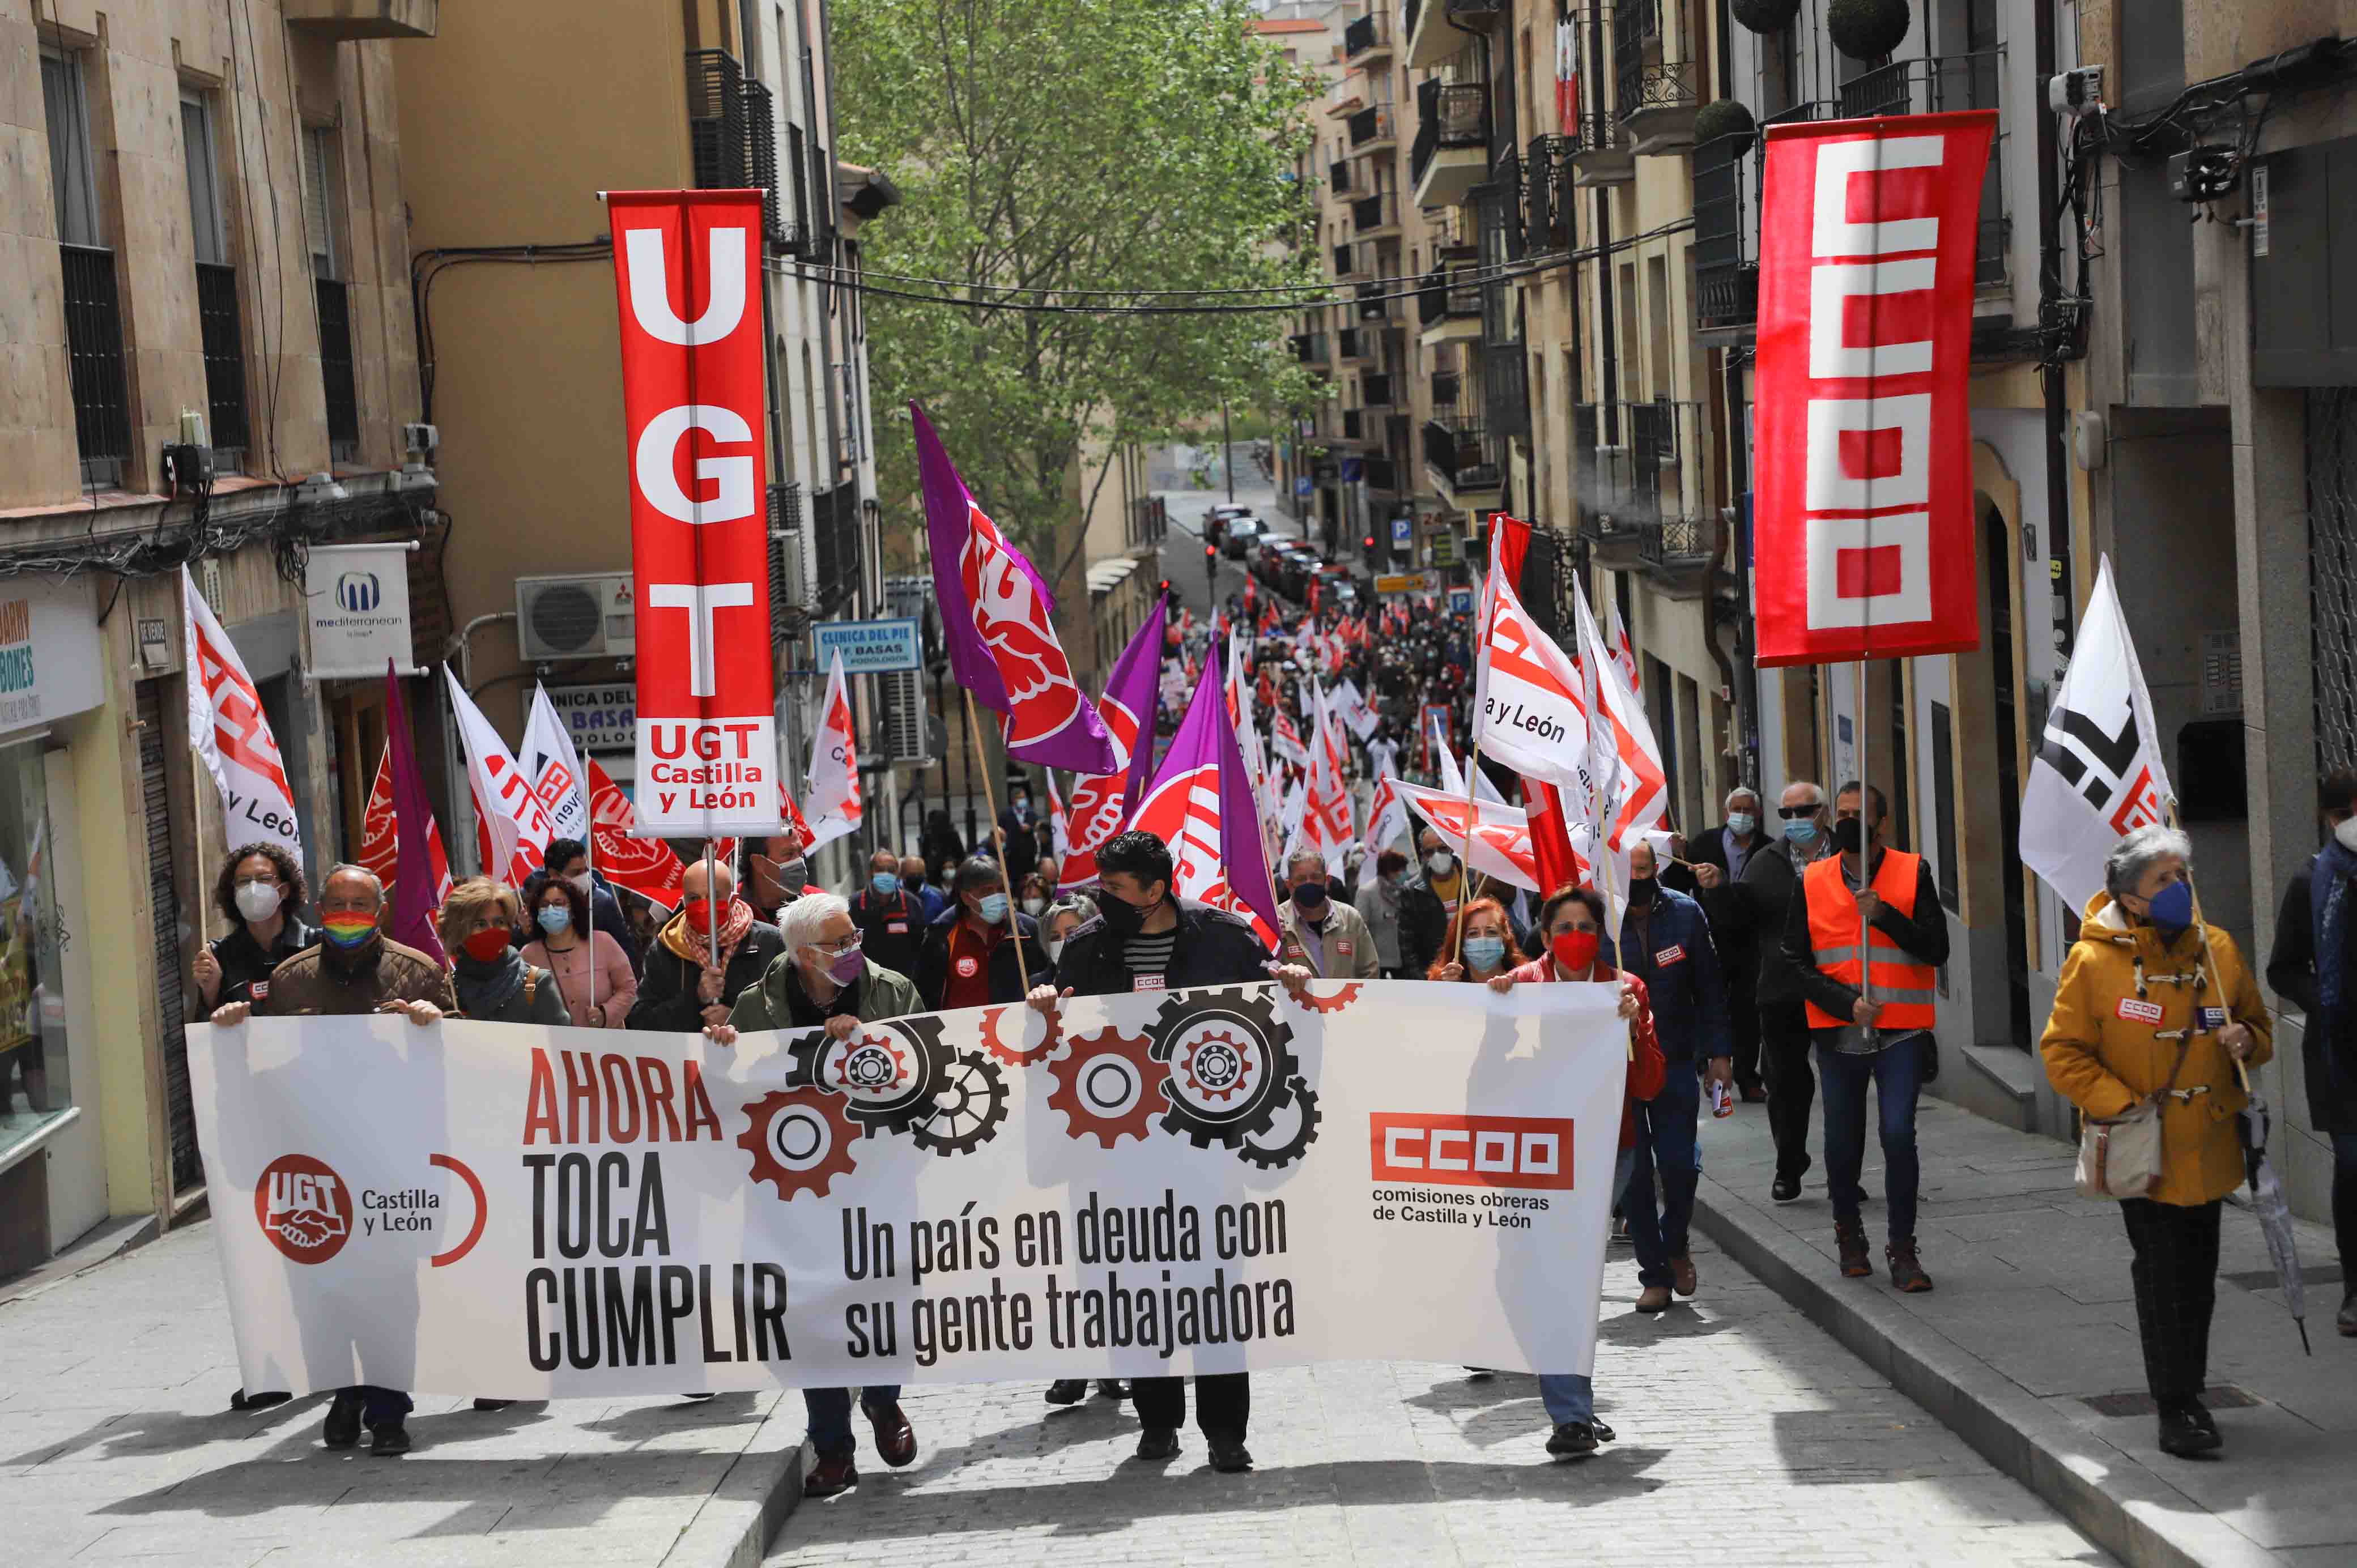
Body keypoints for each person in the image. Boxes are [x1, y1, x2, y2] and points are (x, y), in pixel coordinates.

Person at [1024, 829, 1311, 1472]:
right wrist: (1044, 1007)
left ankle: (1225, 1431)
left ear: (1155, 890)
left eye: (1117, 887)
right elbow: (1062, 1039)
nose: (1104, 897)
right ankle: (1157, 1421)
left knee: (1212, 1289)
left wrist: (1292, 987)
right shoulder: (1086, 945)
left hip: (1206, 1150)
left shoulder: (1224, 937)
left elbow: (1271, 1015)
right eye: (1102, 885)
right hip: (1118, 1155)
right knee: (1137, 1288)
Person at [210, 864, 455, 1455]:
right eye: (338, 902)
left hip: (392, 1163)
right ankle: (345, 1393)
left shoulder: (420, 971)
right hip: (315, 1165)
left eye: (360, 903)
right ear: (320, 907)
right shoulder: (289, 980)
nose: (348, 912)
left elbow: (462, 1056)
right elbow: (262, 1064)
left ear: (380, 909)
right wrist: (231, 1023)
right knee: (322, 1292)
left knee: (392, 1291)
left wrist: (435, 1024)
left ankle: (389, 1407)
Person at [2044, 826, 2270, 1457]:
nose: (2178, 887)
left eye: (2182, 875)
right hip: (2142, 1147)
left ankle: (2188, 1390)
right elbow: (2061, 1052)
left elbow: (2257, 1022)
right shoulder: (2092, 961)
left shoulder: (2215, 949)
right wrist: (2121, 1105)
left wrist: (2245, 1041)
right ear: (2132, 896)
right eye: (2162, 879)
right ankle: (2175, 1405)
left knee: (2197, 1276)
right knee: (2162, 1275)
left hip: (2210, 1145)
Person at [709, 894, 922, 1495]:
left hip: (878, 1176)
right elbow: (739, 1094)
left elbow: (924, 1070)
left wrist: (864, 1045)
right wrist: (724, 1049)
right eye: (839, 942)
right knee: (808, 1313)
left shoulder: (892, 990)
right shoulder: (756, 1004)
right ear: (803, 954)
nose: (854, 948)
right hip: (796, 1188)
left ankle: (883, 1400)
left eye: (855, 935)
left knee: (882, 1299)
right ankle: (831, 1447)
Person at [1495, 885, 1661, 1456]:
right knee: (1528, 1279)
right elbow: (1482, 1069)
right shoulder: (1516, 988)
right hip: (1532, 1153)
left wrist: (1634, 1026)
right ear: (1544, 936)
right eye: (1562, 927)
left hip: (1601, 1152)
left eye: (1584, 925)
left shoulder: (1624, 988)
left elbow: (1648, 1086)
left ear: (1599, 932)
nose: (1574, 937)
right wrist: (1488, 1012)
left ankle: (1570, 1415)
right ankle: (1563, 1389)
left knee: (1563, 1275)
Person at [1782, 781, 1948, 1292]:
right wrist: (1844, 1003)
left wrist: (1886, 916)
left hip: (1900, 1030)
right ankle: (1849, 1236)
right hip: (1839, 1034)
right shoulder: (1812, 879)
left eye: (1862, 813)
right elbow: (1794, 958)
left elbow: (1935, 949)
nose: (1852, 820)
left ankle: (1903, 1248)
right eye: (1845, 812)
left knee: (1898, 1135)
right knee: (1842, 1143)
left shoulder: (1911, 870)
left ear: (1881, 822)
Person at [1617, 841, 1732, 1312]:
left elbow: (1710, 988)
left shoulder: (1685, 914)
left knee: (1679, 1163)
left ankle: (1675, 1239)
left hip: (1677, 1059)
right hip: (1618, 1065)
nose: (1638, 878)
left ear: (1657, 868)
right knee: (1635, 1172)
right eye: (1630, 871)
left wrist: (1720, 1054)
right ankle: (1655, 1273)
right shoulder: (1600, 918)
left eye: (1645, 869)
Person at [2263, 769, 2357, 1341]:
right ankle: (2353, 1286)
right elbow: (2281, 967)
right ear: (2330, 818)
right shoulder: (2314, 881)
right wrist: (2327, 1003)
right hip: (2339, 1053)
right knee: (2352, 1166)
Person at [1740, 782, 1833, 1203]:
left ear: (1824, 812)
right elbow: (1741, 924)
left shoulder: (1851, 858)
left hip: (1839, 988)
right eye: (1787, 813)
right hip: (1781, 991)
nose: (1796, 820)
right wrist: (1720, 892)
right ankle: (1789, 1163)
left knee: (1841, 1084)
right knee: (1786, 1083)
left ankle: (1844, 1169)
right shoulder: (1765, 863)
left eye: (1805, 810)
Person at [627, 856, 787, 1034]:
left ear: (732, 900)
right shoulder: (665, 948)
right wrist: (696, 999)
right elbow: (640, 1024)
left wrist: (737, 1018)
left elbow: (789, 1012)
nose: (704, 905)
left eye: (713, 896)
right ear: (684, 902)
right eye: (694, 898)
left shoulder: (769, 942)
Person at [1689, 786, 1767, 1101]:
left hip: (1750, 943)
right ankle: (1714, 1076)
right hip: (1709, 939)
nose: (1743, 816)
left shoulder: (1767, 849)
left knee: (1749, 1012)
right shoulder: (1704, 844)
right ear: (1726, 813)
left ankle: (1749, 1078)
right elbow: (1678, 888)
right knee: (1711, 1005)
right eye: (1737, 809)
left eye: (1749, 810)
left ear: (1758, 815)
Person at [192, 842, 317, 1015]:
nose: (252, 888)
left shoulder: (317, 945)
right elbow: (204, 1033)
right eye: (243, 881)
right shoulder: (219, 956)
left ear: (284, 890)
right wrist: (210, 993)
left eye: (264, 879)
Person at [915, 856, 1052, 1012]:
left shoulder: (1026, 931)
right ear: (966, 897)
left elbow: (1046, 979)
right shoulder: (941, 935)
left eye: (1001, 889)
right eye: (987, 891)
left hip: (1017, 1029)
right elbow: (925, 996)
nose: (997, 896)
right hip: (958, 1034)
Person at [439, 878, 570, 1025]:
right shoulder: (448, 990)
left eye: (499, 922)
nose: (492, 930)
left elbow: (563, 1045)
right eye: (480, 924)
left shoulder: (537, 984)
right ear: (459, 933)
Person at [520, 872, 635, 1028]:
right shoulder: (529, 956)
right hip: (557, 1048)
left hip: (607, 1046)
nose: (551, 909)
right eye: (545, 905)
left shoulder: (603, 943)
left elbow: (628, 988)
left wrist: (606, 1014)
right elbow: (527, 1002)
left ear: (573, 910)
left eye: (559, 903)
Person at [539, 838, 644, 976]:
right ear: (553, 874)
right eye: (576, 873)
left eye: (586, 870)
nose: (584, 877)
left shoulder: (602, 904)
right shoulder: (539, 906)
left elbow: (626, 953)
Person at [1276, 849, 1380, 980]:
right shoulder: (1276, 920)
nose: (1309, 883)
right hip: (1297, 1001)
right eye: (1301, 879)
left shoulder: (1350, 918)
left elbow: (1370, 972)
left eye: (1315, 877)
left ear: (1327, 880)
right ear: (1289, 885)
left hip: (1346, 1000)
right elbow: (1266, 972)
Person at [851, 849, 928, 981]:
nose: (886, 874)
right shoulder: (854, 904)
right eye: (880, 870)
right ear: (871, 873)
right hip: (866, 983)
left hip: (903, 983)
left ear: (898, 874)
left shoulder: (912, 904)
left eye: (891, 870)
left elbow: (921, 948)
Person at [1397, 829, 1461, 978]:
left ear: (1451, 847)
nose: (1437, 855)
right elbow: (1407, 947)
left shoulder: (1471, 880)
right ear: (1423, 855)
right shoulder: (1412, 891)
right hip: (1435, 978)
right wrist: (1425, 980)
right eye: (1430, 852)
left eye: (1442, 848)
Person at [1426, 897, 1518, 987]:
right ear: (1461, 942)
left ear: (1506, 935)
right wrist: (1447, 990)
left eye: (1491, 932)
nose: (1483, 940)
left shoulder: (1525, 980)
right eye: (1473, 934)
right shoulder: (1440, 986)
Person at [1353, 847, 1411, 977]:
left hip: (1402, 960)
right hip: (1377, 961)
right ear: (1391, 871)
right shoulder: (1367, 892)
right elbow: (1360, 928)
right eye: (1402, 870)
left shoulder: (1404, 892)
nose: (1405, 874)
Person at [738, 833, 811, 925]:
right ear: (759, 862)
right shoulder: (731, 907)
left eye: (801, 853)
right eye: (789, 854)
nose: (799, 861)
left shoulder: (819, 905)